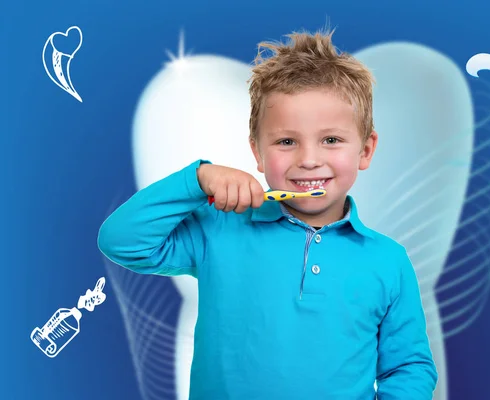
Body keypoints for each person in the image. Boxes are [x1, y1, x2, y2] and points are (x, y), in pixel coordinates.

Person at [98, 27, 438, 400]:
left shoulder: (387, 260)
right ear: (258, 152)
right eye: (286, 142)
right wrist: (197, 180)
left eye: (331, 140)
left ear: (366, 150)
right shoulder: (219, 229)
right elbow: (121, 241)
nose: (309, 160)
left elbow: (409, 367)